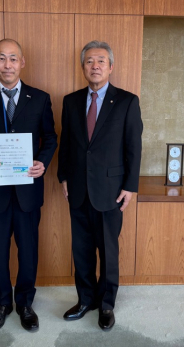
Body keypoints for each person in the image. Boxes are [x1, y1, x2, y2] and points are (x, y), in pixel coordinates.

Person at [0, 39, 57, 333]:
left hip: (28, 190)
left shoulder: (40, 98)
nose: (7, 65)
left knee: (28, 251)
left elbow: (51, 137)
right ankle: (2, 303)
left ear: (22, 62)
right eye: (2, 58)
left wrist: (43, 162)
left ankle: (25, 304)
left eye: (13, 58)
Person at [57, 40, 143, 331]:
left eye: (101, 61)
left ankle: (106, 304)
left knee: (108, 251)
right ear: (83, 67)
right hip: (78, 189)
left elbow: (134, 147)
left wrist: (130, 187)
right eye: (89, 61)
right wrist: (64, 177)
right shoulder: (70, 101)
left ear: (111, 67)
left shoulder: (127, 101)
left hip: (111, 190)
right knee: (81, 250)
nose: (95, 66)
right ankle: (85, 300)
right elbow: (66, 144)